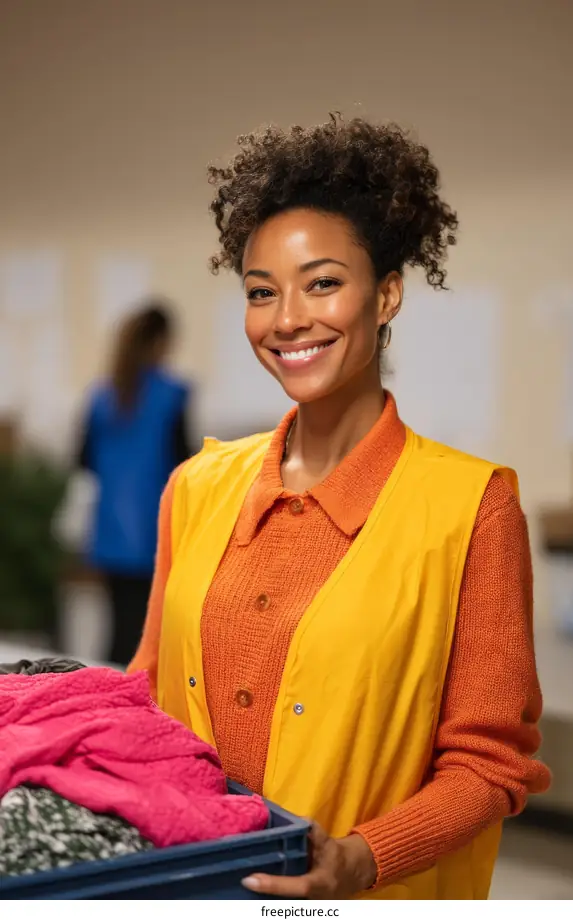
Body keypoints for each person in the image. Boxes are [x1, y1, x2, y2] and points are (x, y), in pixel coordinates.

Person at [129, 117, 550, 900]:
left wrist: (359, 858)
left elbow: (491, 764)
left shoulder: (473, 507)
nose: (287, 318)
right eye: (262, 292)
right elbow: (148, 694)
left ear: (387, 293)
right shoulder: (196, 487)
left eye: (322, 282)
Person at [77, 301, 194, 666]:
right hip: (153, 531)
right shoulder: (172, 395)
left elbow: (82, 459)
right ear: (159, 341)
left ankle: (104, 707)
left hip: (110, 531)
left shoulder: (101, 396)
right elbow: (186, 465)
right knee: (149, 636)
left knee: (117, 633)